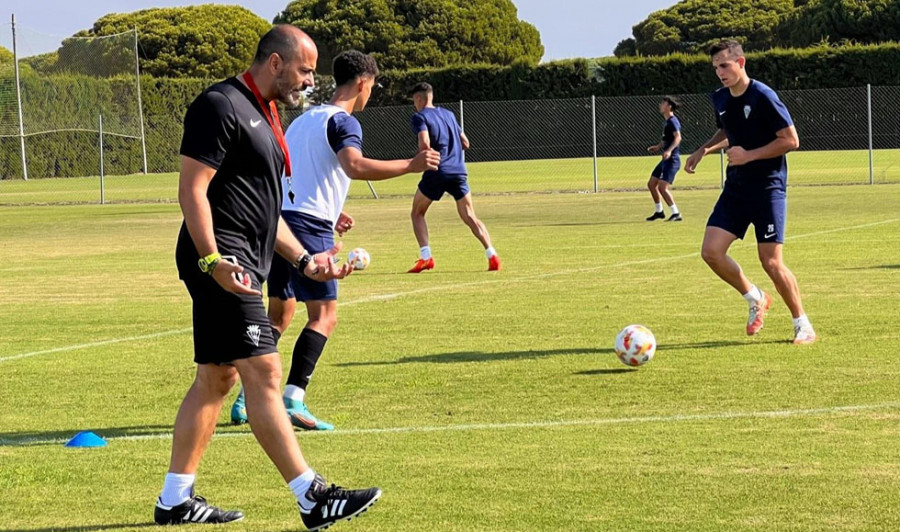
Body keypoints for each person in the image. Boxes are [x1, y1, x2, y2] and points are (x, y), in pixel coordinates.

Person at [157, 26, 381, 530]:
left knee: (217, 379)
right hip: (221, 262)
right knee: (264, 373)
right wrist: (212, 260)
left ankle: (175, 499)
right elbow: (192, 189)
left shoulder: (269, 114)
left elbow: (268, 209)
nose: (309, 81)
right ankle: (311, 494)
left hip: (245, 262)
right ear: (276, 63)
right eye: (304, 70)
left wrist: (305, 260)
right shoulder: (220, 104)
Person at [229, 50, 440, 430]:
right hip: (308, 229)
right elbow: (354, 165)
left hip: (281, 225)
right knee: (324, 316)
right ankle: (293, 397)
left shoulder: (301, 121)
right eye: (372, 87)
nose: (370, 94)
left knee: (280, 314)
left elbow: (292, 173)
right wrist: (411, 164)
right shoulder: (344, 122)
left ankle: (248, 397)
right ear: (362, 83)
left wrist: (330, 209)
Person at [685, 40, 817, 345]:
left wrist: (749, 155)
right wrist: (702, 150)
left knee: (771, 261)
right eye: (716, 66)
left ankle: (803, 324)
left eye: (725, 65)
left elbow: (790, 140)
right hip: (736, 188)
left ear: (741, 63)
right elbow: (729, 130)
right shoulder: (720, 98)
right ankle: (756, 297)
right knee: (711, 252)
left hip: (767, 188)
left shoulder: (763, 96)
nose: (720, 72)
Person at [406, 82, 500, 273]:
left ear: (419, 99)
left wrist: (424, 157)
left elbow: (424, 142)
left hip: (437, 170)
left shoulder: (419, 117)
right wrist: (452, 147)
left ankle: (426, 257)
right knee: (470, 215)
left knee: (417, 213)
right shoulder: (448, 115)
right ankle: (492, 254)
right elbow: (465, 142)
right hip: (459, 171)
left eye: (414, 101)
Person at [646, 96, 683, 222]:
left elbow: (678, 138)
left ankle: (676, 213)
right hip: (666, 160)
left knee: (662, 187)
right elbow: (666, 139)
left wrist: (669, 150)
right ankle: (659, 211)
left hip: (672, 160)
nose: (660, 105)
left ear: (669, 107)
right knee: (651, 184)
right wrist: (658, 147)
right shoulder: (667, 122)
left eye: (663, 103)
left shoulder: (673, 121)